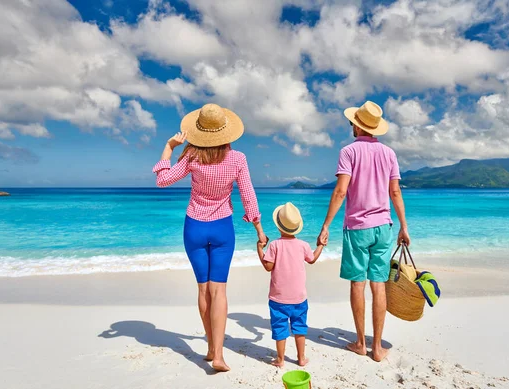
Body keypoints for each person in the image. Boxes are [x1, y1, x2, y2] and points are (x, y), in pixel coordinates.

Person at [153, 103, 267, 372]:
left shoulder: (192, 155)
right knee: (220, 291)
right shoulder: (238, 159)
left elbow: (163, 180)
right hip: (222, 229)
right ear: (225, 131)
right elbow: (248, 196)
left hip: (194, 227)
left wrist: (169, 147)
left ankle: (209, 348)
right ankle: (218, 355)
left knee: (203, 289)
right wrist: (259, 230)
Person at [317, 101, 410, 362]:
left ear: (357, 125)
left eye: (352, 123)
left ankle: (360, 343)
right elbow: (395, 192)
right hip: (383, 228)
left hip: (358, 228)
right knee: (378, 285)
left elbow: (341, 191)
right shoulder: (389, 154)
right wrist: (403, 226)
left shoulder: (348, 152)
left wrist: (325, 226)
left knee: (358, 284)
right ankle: (377, 348)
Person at [256, 202, 324, 368]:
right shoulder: (302, 245)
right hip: (299, 298)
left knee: (280, 329)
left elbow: (268, 266)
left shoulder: (274, 245)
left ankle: (280, 360)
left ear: (279, 226)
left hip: (278, 299)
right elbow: (312, 259)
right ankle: (301, 358)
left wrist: (259, 248)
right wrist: (321, 245)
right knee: (300, 328)